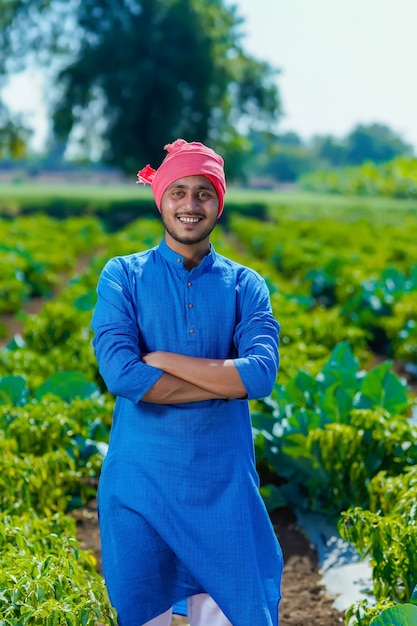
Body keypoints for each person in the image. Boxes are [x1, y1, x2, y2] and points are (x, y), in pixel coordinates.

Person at [91, 138, 283, 626]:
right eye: (178, 192)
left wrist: (166, 360)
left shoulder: (246, 285)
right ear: (161, 199)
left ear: (219, 201)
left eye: (203, 192)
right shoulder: (123, 277)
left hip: (223, 486)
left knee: (231, 611)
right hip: (141, 485)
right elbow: (121, 373)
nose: (191, 205)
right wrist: (225, 382)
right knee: (141, 610)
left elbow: (261, 375)